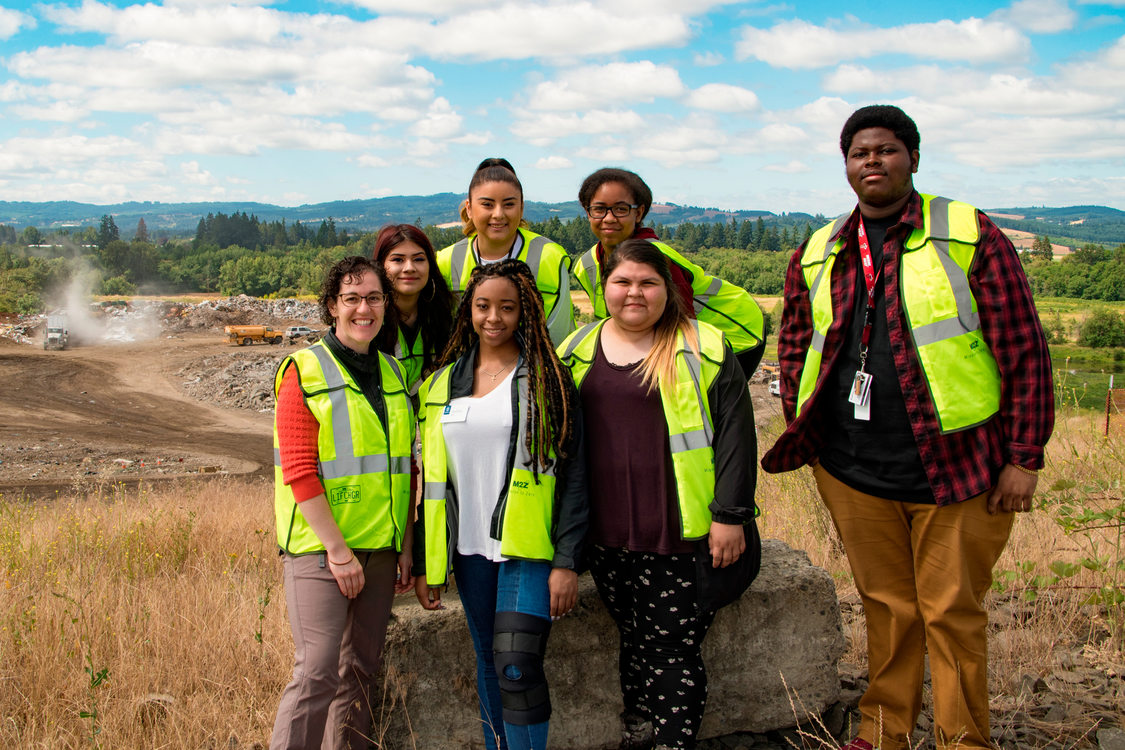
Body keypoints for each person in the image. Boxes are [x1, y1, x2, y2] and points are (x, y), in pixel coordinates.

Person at [762, 105, 1054, 750]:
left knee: (952, 612)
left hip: (961, 465)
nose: (873, 161)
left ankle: (960, 740)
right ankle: (884, 730)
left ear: (913, 159)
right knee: (887, 606)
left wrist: (1025, 457)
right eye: (860, 152)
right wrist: (805, 431)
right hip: (853, 466)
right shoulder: (819, 249)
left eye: (887, 149)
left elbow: (1024, 348)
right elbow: (794, 343)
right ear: (845, 166)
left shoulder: (967, 232)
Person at [558, 239, 761, 750]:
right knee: (634, 639)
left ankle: (672, 742)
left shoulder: (702, 346)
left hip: (680, 532)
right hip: (606, 535)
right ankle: (640, 730)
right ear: (604, 288)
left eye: (648, 283)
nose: (635, 293)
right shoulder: (576, 351)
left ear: (667, 290)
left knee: (670, 647)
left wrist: (730, 516)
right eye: (622, 281)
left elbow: (738, 437)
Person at [413, 259, 587, 750]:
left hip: (527, 550)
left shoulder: (548, 381)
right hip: (468, 552)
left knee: (517, 665)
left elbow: (574, 476)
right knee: (489, 661)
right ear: (468, 308)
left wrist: (566, 561)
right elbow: (431, 482)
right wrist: (430, 562)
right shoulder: (442, 383)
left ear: (524, 312)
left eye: (507, 308)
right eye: (483, 306)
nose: (494, 317)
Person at [270, 256, 415, 750]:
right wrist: (337, 551)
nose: (364, 308)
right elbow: (299, 470)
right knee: (317, 672)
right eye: (351, 298)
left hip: (381, 548)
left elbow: (405, 470)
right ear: (332, 306)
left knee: (361, 672)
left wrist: (406, 546)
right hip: (320, 550)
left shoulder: (394, 373)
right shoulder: (304, 370)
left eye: (374, 297)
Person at [573, 167, 766, 377]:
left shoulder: (657, 258)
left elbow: (683, 331)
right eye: (599, 209)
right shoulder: (587, 264)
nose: (609, 218)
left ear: (638, 213)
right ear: (587, 212)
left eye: (621, 209)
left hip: (735, 330)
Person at [438, 158, 575, 346]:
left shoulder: (550, 257)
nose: (498, 214)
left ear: (521, 207)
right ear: (469, 209)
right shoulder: (446, 260)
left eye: (509, 204)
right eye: (487, 204)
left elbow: (560, 337)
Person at [372, 222, 456, 393]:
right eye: (398, 260)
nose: (409, 268)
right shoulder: (367, 318)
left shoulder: (447, 317)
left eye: (418, 259)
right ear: (380, 266)